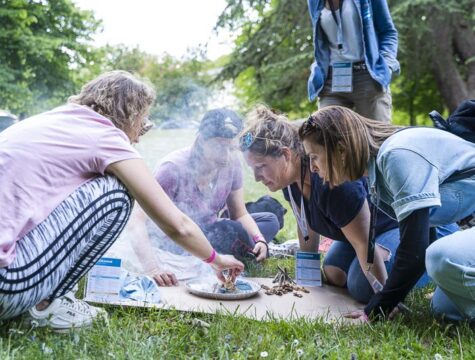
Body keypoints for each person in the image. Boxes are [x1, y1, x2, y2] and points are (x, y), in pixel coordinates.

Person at [0, 71, 244, 331]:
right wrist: (215, 259)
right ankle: (47, 306)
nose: (140, 134)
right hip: (7, 286)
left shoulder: (54, 121)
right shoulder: (104, 135)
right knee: (117, 192)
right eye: (143, 121)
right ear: (130, 112)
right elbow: (177, 224)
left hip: (13, 267)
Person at [298, 105, 475, 323]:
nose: (312, 168)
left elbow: (414, 252)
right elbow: (422, 242)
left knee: (440, 258)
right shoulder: (377, 172)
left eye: (314, 157)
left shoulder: (395, 157)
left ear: (341, 149)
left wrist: (376, 309)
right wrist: (386, 298)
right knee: (443, 310)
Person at [239, 105, 407, 303]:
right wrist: (306, 277)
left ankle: (419, 264)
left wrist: (385, 301)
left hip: (393, 227)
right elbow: (306, 225)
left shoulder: (332, 182)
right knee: (334, 273)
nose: (257, 178)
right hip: (359, 236)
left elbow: (363, 242)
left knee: (362, 287)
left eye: (261, 167)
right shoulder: (291, 179)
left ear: (285, 155)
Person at [131, 108, 281, 286]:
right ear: (202, 140)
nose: (226, 155)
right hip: (178, 239)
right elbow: (137, 219)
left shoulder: (231, 164)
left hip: (212, 230)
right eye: (219, 146)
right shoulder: (172, 169)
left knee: (270, 219)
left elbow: (239, 213)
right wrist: (152, 268)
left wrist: (259, 239)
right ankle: (239, 250)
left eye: (231, 147)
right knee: (231, 231)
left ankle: (250, 247)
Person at [307, 0, 399, 122]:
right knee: (326, 138)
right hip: (332, 80)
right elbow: (321, 40)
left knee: (375, 139)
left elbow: (388, 32)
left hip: (368, 78)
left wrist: (386, 65)